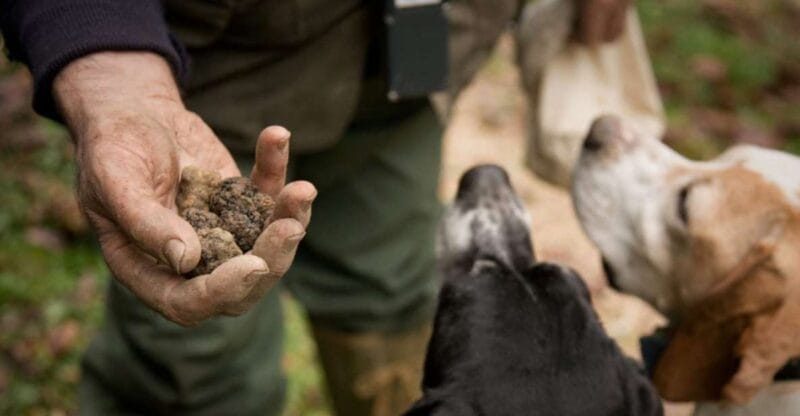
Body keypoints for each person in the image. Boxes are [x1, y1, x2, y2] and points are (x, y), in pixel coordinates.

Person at [0, 0, 630, 415]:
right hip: (200, 78)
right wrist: (110, 66)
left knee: (390, 299)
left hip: (412, 55)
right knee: (191, 365)